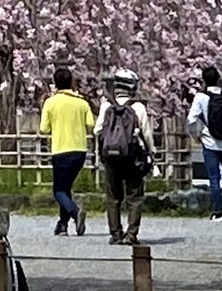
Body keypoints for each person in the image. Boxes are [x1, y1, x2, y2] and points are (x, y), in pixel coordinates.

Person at [97, 70, 154, 242]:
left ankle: (115, 233)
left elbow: (97, 130)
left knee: (113, 197)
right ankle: (131, 233)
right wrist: (151, 153)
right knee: (135, 196)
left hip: (111, 157)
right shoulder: (137, 107)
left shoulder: (106, 106)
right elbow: (147, 134)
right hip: (132, 157)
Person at [40, 66, 95, 236]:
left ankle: (74, 212)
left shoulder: (51, 102)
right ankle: (62, 225)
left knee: (58, 191)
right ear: (71, 82)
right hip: (80, 151)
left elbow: (44, 128)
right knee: (66, 188)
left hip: (61, 150)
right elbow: (91, 124)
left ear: (55, 84)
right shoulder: (82, 102)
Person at [188, 66, 222, 217]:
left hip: (210, 143)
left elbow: (191, 120)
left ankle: (217, 212)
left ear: (203, 80)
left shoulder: (201, 97)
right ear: (218, 79)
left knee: (214, 178)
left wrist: (197, 136)